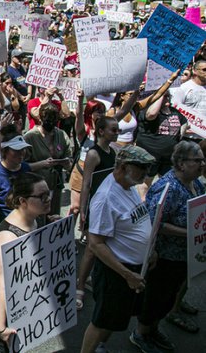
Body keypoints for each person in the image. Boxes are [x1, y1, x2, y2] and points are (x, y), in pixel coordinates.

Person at [80, 146, 157, 353]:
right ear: (123, 167)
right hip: (117, 272)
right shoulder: (106, 198)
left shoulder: (129, 184)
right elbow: (95, 244)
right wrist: (126, 274)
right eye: (141, 167)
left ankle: (100, 347)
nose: (146, 172)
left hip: (132, 269)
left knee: (114, 318)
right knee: (101, 320)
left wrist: (148, 249)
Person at [131, 141, 205, 351]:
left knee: (168, 297)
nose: (202, 164)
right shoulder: (168, 187)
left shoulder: (196, 183)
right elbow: (155, 223)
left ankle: (153, 330)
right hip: (164, 256)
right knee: (156, 298)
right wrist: (189, 233)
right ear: (181, 163)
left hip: (184, 255)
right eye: (197, 160)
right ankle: (141, 334)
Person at [0, 172, 52, 353]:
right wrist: (0, 327)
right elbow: (2, 286)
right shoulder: (6, 237)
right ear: (22, 201)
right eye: (42, 196)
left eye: (48, 194)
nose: (48, 199)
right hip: (0, 305)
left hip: (22, 299)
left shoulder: (36, 219)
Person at [75, 116, 118, 310]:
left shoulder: (113, 151)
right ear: (101, 131)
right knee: (92, 249)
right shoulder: (94, 154)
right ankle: (80, 286)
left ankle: (91, 279)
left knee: (102, 245)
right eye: (113, 130)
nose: (117, 133)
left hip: (108, 206)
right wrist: (83, 210)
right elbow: (86, 184)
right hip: (96, 206)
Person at [24, 102, 73, 213]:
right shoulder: (30, 137)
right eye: (48, 121)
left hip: (55, 186)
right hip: (37, 188)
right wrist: (42, 164)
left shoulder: (61, 135)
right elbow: (22, 166)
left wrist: (66, 163)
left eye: (54, 121)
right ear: (41, 119)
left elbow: (70, 160)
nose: (51, 124)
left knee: (54, 216)